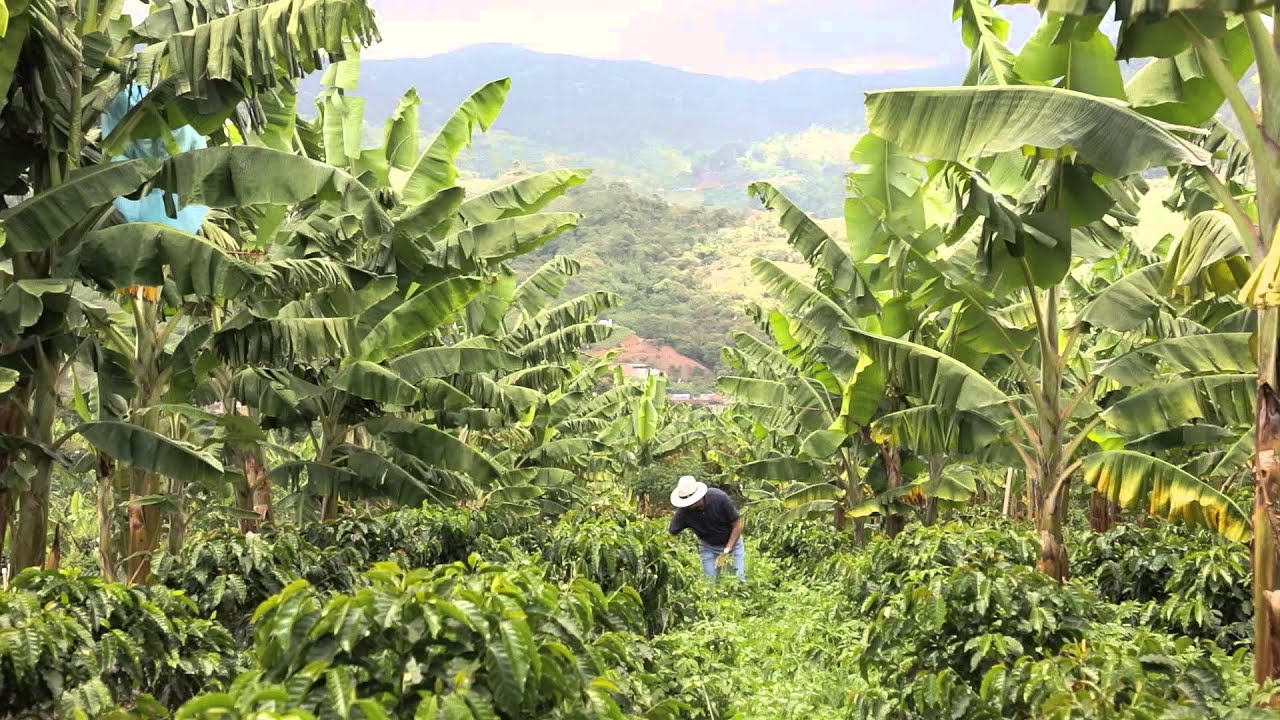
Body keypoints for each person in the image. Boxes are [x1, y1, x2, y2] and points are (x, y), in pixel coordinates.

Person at [667, 475, 745, 582]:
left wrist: (726, 551)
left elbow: (738, 524)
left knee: (738, 580)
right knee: (710, 583)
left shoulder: (719, 498)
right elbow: (671, 534)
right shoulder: (683, 512)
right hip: (708, 547)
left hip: (733, 544)